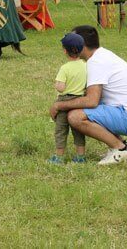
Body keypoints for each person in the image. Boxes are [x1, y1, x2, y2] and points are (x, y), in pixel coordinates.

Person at [50, 25, 127, 166]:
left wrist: (59, 105)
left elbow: (92, 101)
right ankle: (120, 144)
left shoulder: (96, 62)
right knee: (78, 111)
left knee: (75, 116)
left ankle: (120, 148)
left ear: (82, 45)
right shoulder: (101, 55)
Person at [48, 33, 88, 165]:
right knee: (78, 131)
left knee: (61, 130)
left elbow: (61, 87)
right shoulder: (85, 65)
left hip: (65, 102)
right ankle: (80, 156)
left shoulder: (64, 68)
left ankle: (59, 157)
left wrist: (57, 84)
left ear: (65, 50)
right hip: (80, 101)